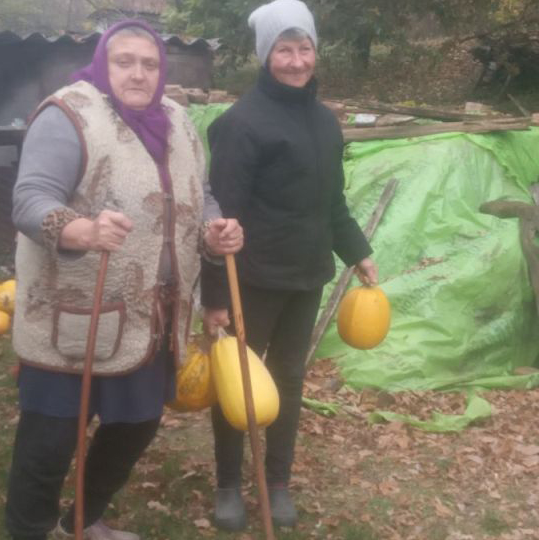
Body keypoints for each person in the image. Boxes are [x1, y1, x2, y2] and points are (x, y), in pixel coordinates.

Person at [5, 20, 242, 540]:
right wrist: (80, 228)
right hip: (72, 318)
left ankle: (80, 523)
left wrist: (214, 228)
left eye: (150, 63)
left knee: (136, 426)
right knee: (49, 442)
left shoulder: (178, 120)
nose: (138, 73)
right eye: (124, 61)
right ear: (103, 63)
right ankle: (29, 530)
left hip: (149, 320)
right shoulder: (69, 114)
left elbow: (197, 194)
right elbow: (29, 200)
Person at [200, 0, 378, 531]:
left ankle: (277, 480)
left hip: (307, 277)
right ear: (265, 55)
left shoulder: (325, 122)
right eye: (284, 49)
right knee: (238, 385)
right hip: (250, 279)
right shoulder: (241, 124)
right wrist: (213, 297)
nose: (297, 61)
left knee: (290, 380)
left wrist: (358, 252)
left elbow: (333, 205)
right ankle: (230, 482)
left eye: (304, 49)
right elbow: (219, 221)